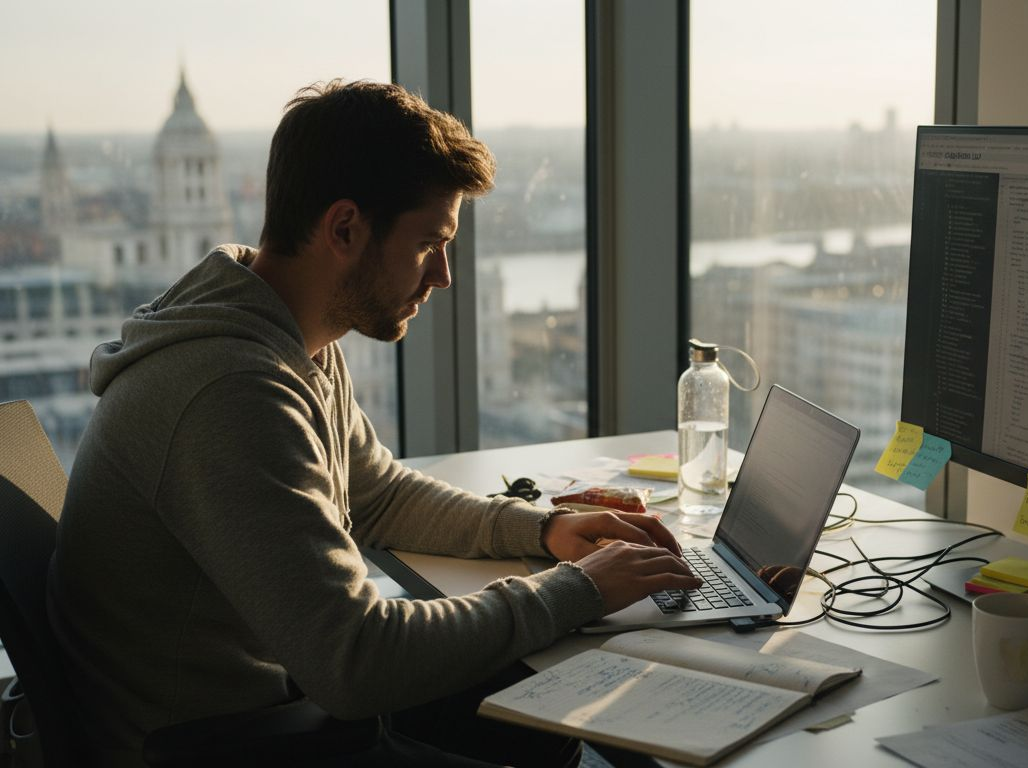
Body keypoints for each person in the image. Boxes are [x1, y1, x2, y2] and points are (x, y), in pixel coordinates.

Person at [47, 80, 700, 767]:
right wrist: (581, 587)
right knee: (550, 699)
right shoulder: (231, 390)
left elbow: (378, 493)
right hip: (228, 744)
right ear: (345, 229)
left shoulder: (287, 334)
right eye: (428, 244)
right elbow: (355, 661)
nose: (443, 276)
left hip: (279, 708)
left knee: (545, 707)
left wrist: (541, 529)